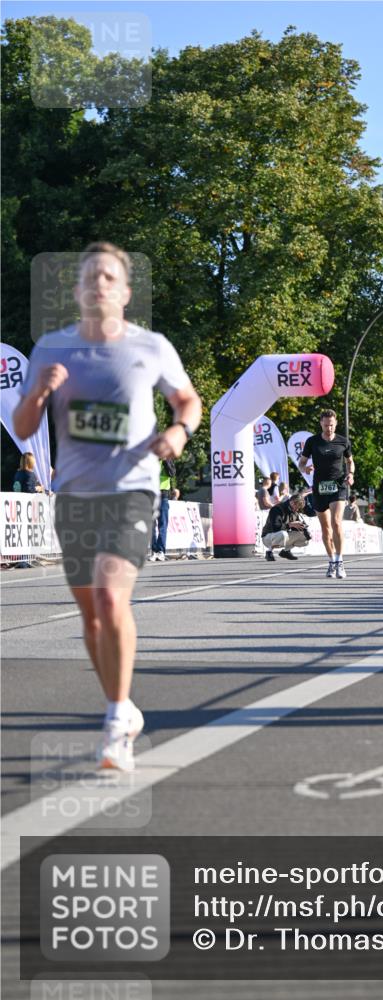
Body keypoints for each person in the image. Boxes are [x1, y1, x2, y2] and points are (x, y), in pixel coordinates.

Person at [13, 241, 201, 771]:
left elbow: (187, 400)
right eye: (90, 276)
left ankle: (117, 719)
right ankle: (124, 705)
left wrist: (179, 432)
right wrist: (38, 395)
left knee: (111, 596)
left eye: (109, 277)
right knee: (92, 617)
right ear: (76, 291)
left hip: (133, 490)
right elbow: (25, 429)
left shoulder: (151, 346)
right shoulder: (52, 348)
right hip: (74, 494)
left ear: (124, 292)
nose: (99, 284)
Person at [298, 409, 354, 579]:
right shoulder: (312, 441)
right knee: (326, 528)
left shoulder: (343, 442)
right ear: (321, 423)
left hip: (338, 485)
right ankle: (331, 561)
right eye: (326, 425)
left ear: (335, 423)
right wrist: (305, 468)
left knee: (336, 522)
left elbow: (350, 461)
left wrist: (350, 474)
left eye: (331, 425)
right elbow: (301, 463)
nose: (329, 428)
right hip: (320, 487)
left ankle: (340, 561)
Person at [262, 493, 310, 561]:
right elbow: (276, 527)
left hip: (282, 536)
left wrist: (303, 528)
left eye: (299, 508)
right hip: (268, 536)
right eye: (297, 507)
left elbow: (294, 528)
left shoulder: (294, 512)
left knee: (304, 539)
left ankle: (286, 551)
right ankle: (269, 552)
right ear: (292, 503)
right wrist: (290, 524)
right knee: (283, 534)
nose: (297, 510)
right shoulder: (277, 509)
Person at [148, 458, 175, 562]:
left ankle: (161, 551)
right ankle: (154, 551)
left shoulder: (168, 459)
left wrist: (165, 461)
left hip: (163, 495)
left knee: (162, 525)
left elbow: (172, 473)